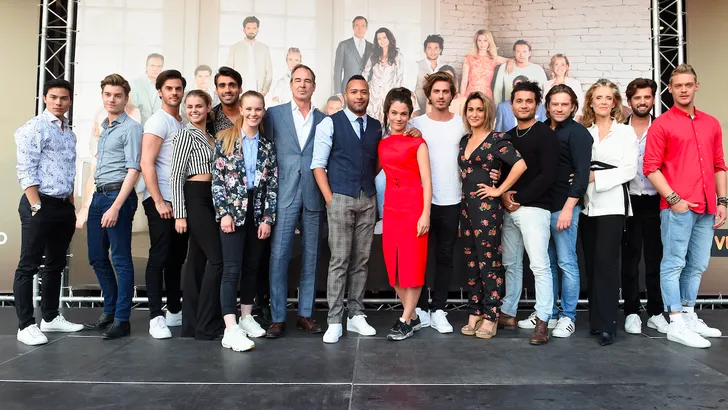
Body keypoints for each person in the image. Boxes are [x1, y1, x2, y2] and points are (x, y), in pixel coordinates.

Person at [644, 64, 726, 348]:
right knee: (674, 264)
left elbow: (719, 165)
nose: (683, 90)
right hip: (678, 208)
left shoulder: (711, 123)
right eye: (677, 85)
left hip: (707, 207)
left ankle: (689, 315)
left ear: (696, 86)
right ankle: (676, 322)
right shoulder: (662, 124)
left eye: (688, 85)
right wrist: (674, 200)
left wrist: (722, 201)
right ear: (670, 89)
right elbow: (650, 168)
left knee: (697, 265)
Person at [13, 79, 84, 346]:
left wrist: (71, 204)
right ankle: (25, 325)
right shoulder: (33, 128)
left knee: (55, 264)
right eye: (53, 97)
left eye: (63, 98)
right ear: (45, 98)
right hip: (39, 203)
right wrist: (36, 206)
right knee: (28, 265)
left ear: (70, 101)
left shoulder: (69, 133)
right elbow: (26, 169)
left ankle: (51, 317)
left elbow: (68, 171)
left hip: (62, 205)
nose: (58, 102)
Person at [311, 75, 381, 344]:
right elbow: (318, 165)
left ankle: (356, 315)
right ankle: (334, 320)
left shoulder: (375, 126)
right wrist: (330, 199)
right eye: (354, 92)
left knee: (361, 261)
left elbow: (377, 162)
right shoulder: (330, 123)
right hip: (340, 197)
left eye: (363, 92)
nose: (359, 96)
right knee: (339, 260)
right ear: (345, 95)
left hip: (368, 199)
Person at [213, 91, 278, 352]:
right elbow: (217, 181)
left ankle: (246, 317)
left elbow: (272, 184)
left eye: (258, 109)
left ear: (263, 112)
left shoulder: (267, 146)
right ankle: (230, 329)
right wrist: (224, 213)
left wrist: (267, 219)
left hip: (257, 211)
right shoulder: (225, 140)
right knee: (232, 269)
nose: (253, 113)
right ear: (240, 110)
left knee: (252, 266)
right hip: (233, 211)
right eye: (249, 109)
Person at [265, 64, 327, 338]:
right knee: (278, 257)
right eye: (298, 80)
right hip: (284, 193)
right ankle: (278, 317)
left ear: (314, 86)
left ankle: (305, 314)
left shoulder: (324, 119)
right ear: (290, 85)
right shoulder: (273, 115)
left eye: (307, 81)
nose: (302, 85)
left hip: (313, 194)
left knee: (311, 257)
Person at [459, 91, 527, 339]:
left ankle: (491, 315)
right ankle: (475, 311)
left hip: (487, 209)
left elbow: (520, 164)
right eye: (470, 109)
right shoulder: (464, 140)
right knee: (471, 262)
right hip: (466, 208)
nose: (474, 114)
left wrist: (499, 190)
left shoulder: (497, 139)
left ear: (487, 112)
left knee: (489, 263)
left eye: (479, 109)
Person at [81, 74, 143, 340]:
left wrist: (116, 206)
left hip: (119, 197)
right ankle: (109, 311)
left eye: (118, 95)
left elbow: (134, 170)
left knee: (120, 259)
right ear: (103, 96)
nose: (112, 99)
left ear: (126, 98)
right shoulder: (105, 127)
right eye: (108, 94)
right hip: (99, 196)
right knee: (96, 257)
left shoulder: (132, 128)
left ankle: (122, 318)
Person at [498, 81, 559, 345]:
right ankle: (509, 313)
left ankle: (543, 321)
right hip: (509, 209)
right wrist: (503, 195)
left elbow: (548, 175)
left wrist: (519, 198)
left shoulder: (545, 135)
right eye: (519, 101)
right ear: (511, 104)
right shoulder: (508, 136)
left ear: (537, 105)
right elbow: (502, 174)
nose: (524, 105)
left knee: (539, 266)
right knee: (510, 264)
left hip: (535, 209)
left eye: (529, 101)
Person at [580, 79, 638, 346]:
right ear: (591, 103)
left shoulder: (625, 133)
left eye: (608, 98)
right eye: (598, 98)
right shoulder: (585, 132)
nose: (603, 102)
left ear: (615, 103)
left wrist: (596, 177)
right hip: (587, 204)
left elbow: (629, 170)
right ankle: (596, 321)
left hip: (613, 204)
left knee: (606, 262)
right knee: (592, 263)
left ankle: (608, 326)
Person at [411, 71, 466, 333]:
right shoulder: (416, 123)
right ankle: (421, 308)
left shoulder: (462, 124)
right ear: (429, 95)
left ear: (452, 95)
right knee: (419, 257)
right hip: (421, 201)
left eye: (445, 91)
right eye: (436, 91)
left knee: (445, 256)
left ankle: (439, 309)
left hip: (452, 199)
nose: (441, 96)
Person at [378, 87, 432, 341]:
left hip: (413, 207)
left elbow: (427, 181)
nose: (399, 118)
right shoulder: (382, 143)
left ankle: (405, 319)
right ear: (387, 114)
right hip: (391, 208)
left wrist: (425, 214)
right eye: (394, 113)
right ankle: (413, 317)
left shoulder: (418, 143)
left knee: (413, 265)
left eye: (403, 114)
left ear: (410, 115)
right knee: (394, 267)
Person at [170, 90, 224, 340]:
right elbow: (176, 176)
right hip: (196, 197)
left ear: (208, 107)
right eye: (189, 106)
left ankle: (191, 325)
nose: (193, 110)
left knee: (197, 263)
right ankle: (206, 324)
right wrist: (180, 215)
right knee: (217, 260)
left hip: (212, 198)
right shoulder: (185, 135)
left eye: (198, 106)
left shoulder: (212, 136)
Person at [140, 69, 187, 340]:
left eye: (178, 88)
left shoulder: (181, 121)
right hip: (161, 200)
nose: (174, 93)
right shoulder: (158, 121)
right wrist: (158, 200)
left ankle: (174, 310)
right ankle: (155, 317)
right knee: (159, 256)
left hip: (179, 202)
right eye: (169, 88)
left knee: (176, 258)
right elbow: (146, 162)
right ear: (160, 91)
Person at [543, 84, 592, 339]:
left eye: (565, 104)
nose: (559, 108)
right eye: (555, 104)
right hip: (542, 208)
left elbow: (582, 175)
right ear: (547, 106)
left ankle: (568, 317)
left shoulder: (578, 133)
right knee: (548, 264)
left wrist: (568, 209)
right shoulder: (542, 130)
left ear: (573, 106)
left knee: (567, 263)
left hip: (564, 208)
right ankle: (550, 314)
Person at [622, 78, 668, 335]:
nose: (642, 102)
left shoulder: (662, 128)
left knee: (655, 259)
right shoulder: (620, 131)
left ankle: (656, 312)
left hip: (656, 200)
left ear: (653, 99)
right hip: (627, 201)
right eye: (637, 97)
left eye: (647, 97)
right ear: (629, 101)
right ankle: (631, 312)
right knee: (629, 260)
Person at [362, 27, 404, 123]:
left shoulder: (397, 55)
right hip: (373, 94)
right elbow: (365, 72)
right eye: (379, 38)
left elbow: (400, 76)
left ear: (389, 38)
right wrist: (365, 88)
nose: (382, 41)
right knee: (371, 120)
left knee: (386, 120)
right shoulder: (374, 55)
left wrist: (396, 94)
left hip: (388, 93)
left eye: (384, 37)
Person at [226, 16, 273, 95]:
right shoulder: (234, 48)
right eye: (248, 28)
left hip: (258, 92)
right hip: (239, 92)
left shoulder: (264, 49)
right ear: (244, 30)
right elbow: (229, 72)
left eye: (254, 28)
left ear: (257, 29)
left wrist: (264, 91)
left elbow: (269, 73)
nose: (251, 31)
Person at [460, 29, 512, 100]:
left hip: (486, 96)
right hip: (471, 95)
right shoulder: (469, 58)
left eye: (485, 40)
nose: (482, 44)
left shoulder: (493, 58)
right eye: (479, 40)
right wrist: (462, 98)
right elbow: (464, 81)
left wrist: (510, 62)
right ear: (476, 42)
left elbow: (511, 60)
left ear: (489, 42)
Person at [492, 40, 548, 105]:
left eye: (524, 51)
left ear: (529, 53)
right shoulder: (504, 67)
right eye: (518, 51)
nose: (521, 55)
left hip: (532, 109)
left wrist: (540, 109)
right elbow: (497, 91)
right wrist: (498, 108)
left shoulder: (538, 69)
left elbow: (544, 92)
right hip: (509, 108)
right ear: (514, 53)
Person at [333, 16, 372, 98]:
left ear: (366, 28)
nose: (360, 28)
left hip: (366, 90)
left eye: (363, 26)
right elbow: (337, 70)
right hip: (347, 89)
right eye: (357, 25)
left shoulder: (372, 47)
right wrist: (338, 92)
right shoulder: (343, 45)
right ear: (353, 27)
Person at [542, 54, 585, 121]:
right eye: (556, 64)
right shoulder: (546, 84)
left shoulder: (574, 83)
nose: (559, 67)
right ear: (552, 66)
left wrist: (574, 123)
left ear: (567, 66)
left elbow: (580, 106)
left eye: (562, 64)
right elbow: (544, 105)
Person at [130, 53, 164, 126]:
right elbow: (132, 108)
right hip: (139, 126)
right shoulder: (135, 84)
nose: (155, 69)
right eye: (152, 66)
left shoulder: (165, 85)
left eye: (159, 66)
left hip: (160, 127)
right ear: (146, 66)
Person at [414, 34, 445, 113]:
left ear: (440, 50)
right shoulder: (416, 65)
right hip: (420, 110)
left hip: (439, 111)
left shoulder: (444, 68)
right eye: (429, 48)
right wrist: (416, 110)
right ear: (425, 50)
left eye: (436, 48)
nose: (432, 51)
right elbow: (410, 91)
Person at [208, 67, 242, 136]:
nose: (227, 90)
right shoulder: (209, 119)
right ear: (216, 91)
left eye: (232, 85)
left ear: (240, 89)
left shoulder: (255, 113)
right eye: (222, 86)